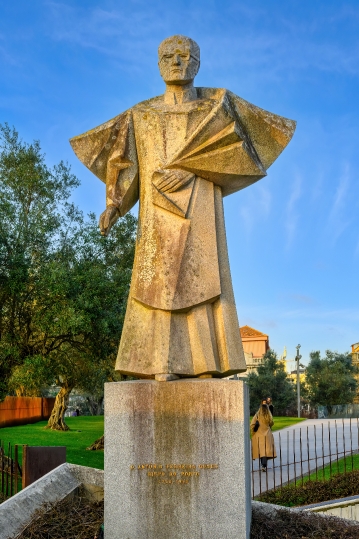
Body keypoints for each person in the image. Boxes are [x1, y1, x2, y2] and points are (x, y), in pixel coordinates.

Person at [70, 35, 295, 381]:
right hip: (157, 213)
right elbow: (125, 161)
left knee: (202, 281)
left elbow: (236, 152)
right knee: (157, 287)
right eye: (169, 56)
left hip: (200, 207)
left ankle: (207, 364)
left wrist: (190, 168)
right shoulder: (142, 115)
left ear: (197, 63)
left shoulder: (215, 110)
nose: (177, 62)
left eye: (185, 55)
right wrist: (114, 206)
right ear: (158, 64)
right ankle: (161, 364)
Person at [251, 399, 277, 472]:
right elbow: (272, 423)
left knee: (261, 450)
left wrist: (254, 430)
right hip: (267, 434)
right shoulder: (269, 415)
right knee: (266, 450)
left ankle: (263, 465)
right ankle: (264, 465)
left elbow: (252, 424)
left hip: (259, 434)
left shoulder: (257, 415)